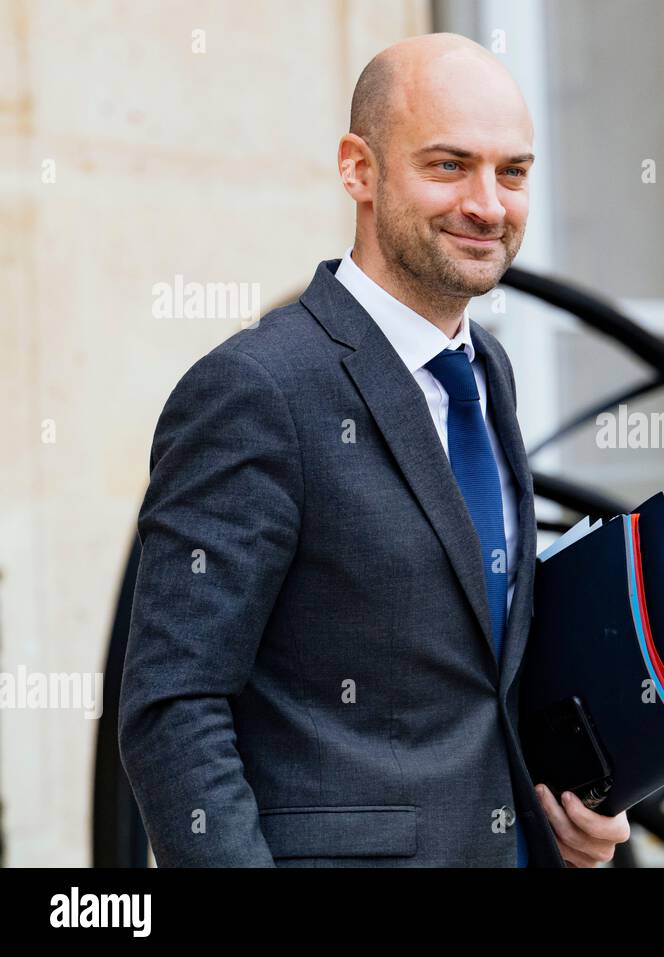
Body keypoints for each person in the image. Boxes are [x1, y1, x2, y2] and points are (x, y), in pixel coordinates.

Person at [118, 32, 631, 868]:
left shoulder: (485, 370)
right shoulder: (257, 389)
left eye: (513, 172)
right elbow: (172, 705)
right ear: (358, 168)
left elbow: (476, 675)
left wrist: (572, 812)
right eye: (448, 166)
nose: (488, 204)